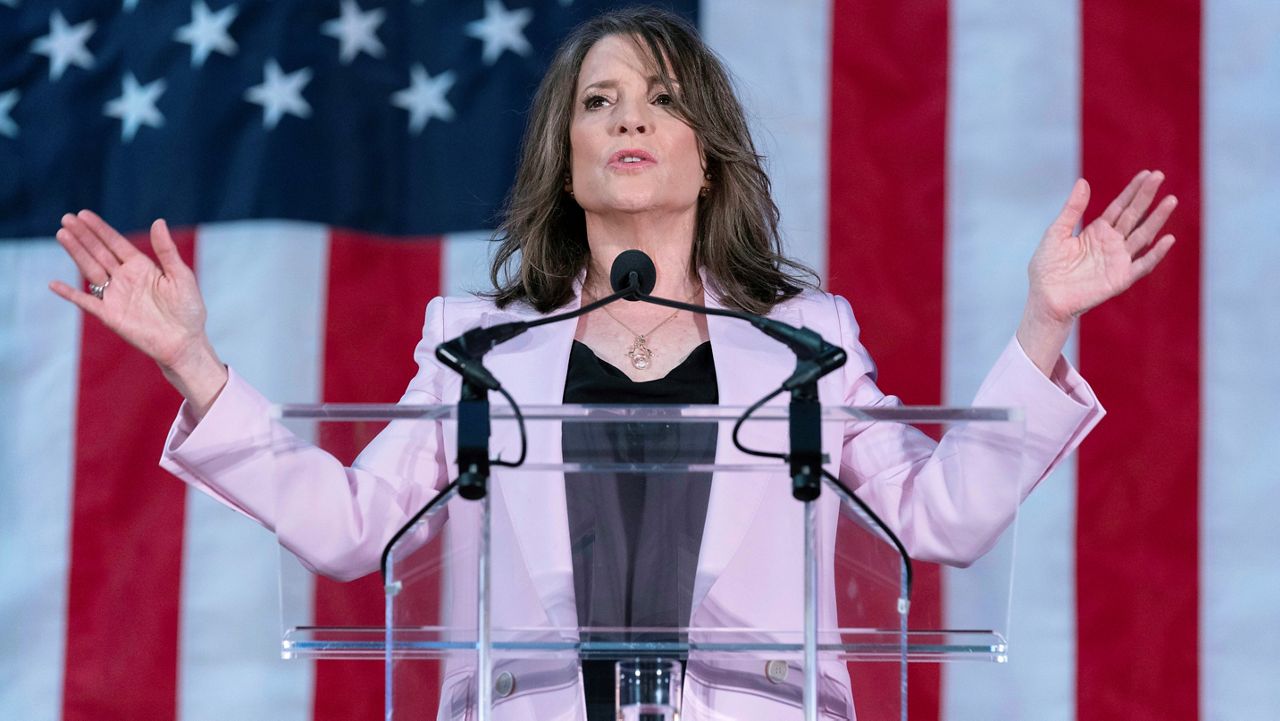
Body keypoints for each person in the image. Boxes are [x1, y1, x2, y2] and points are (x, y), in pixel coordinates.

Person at [47, 8, 1177, 720]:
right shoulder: (478, 345)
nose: (628, 119)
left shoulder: (805, 341)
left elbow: (942, 518)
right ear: (567, 154)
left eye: (659, 101)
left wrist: (1041, 322)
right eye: (598, 103)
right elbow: (351, 531)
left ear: (704, 151)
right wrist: (194, 361)